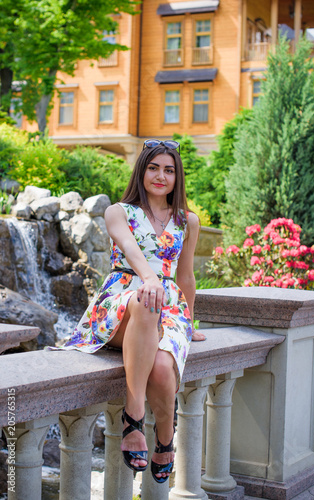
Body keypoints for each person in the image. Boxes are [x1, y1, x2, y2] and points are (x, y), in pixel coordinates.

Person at [53, 139, 206, 483]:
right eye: (153, 167)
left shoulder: (187, 221)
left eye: (169, 170)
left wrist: (190, 322)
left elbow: (185, 276)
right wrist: (149, 279)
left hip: (170, 307)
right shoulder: (118, 212)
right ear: (141, 170)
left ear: (177, 177)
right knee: (145, 299)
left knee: (164, 367)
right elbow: (131, 251)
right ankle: (133, 415)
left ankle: (165, 437)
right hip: (123, 298)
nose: (160, 176)